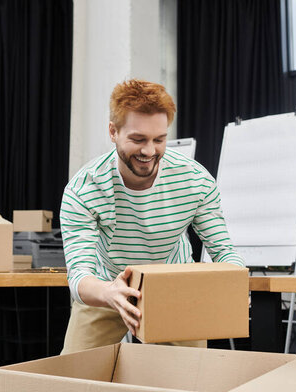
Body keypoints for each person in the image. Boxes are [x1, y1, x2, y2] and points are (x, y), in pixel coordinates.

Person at [60, 79, 243, 354]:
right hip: (107, 286)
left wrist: (235, 282)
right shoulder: (84, 189)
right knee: (72, 380)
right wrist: (110, 293)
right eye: (138, 139)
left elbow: (224, 252)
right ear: (113, 132)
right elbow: (80, 276)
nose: (149, 151)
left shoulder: (195, 181)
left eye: (159, 139)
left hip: (176, 288)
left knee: (189, 382)